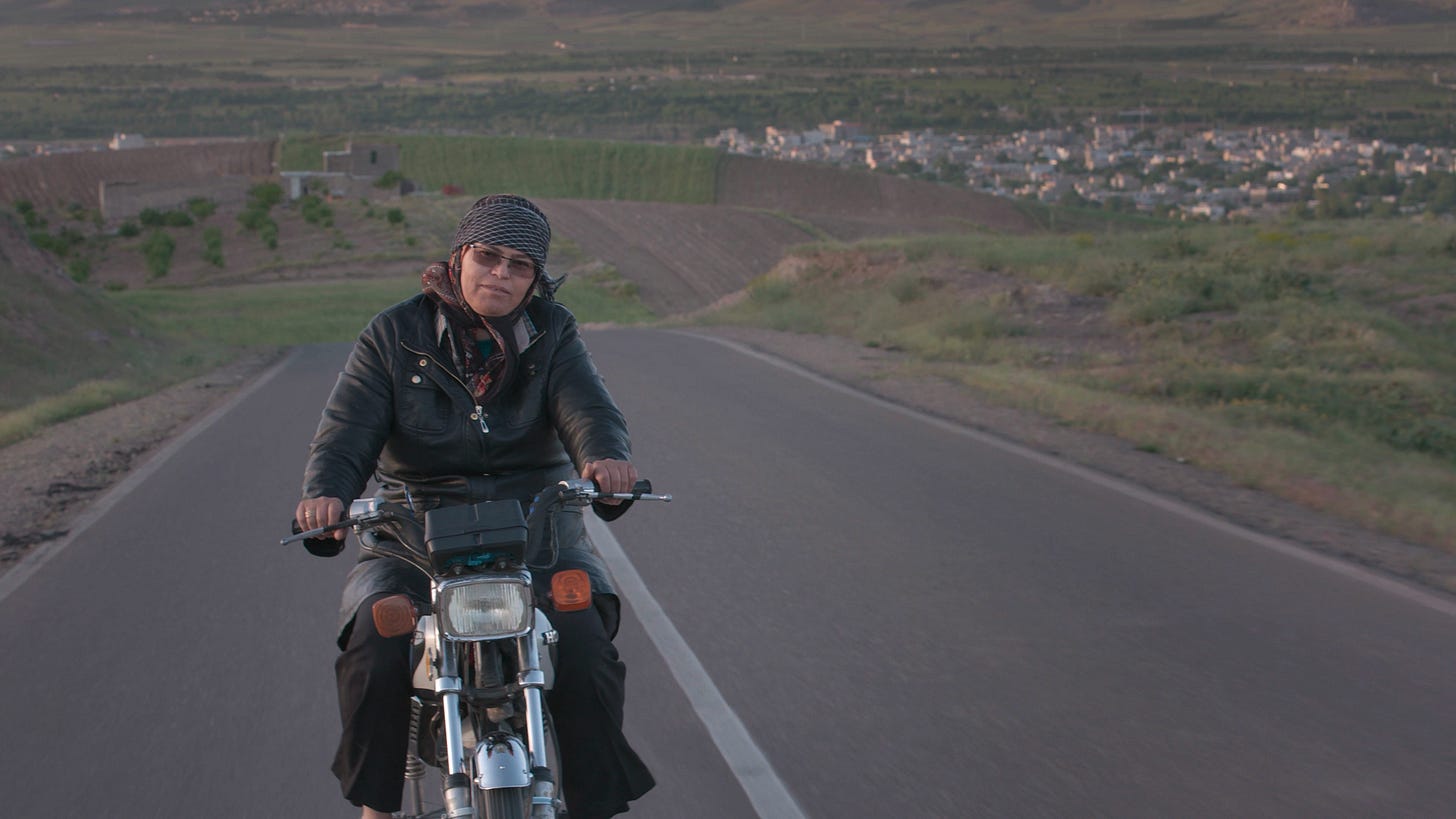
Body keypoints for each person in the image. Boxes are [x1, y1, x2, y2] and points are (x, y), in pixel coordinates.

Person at [295, 194, 655, 819]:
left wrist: (605, 460)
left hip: (537, 524)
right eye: (489, 256)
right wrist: (326, 494)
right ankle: (375, 809)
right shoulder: (394, 334)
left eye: (520, 265)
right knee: (374, 645)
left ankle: (595, 806)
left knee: (585, 642)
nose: (501, 274)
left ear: (534, 279)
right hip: (413, 530)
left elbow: (589, 408)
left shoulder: (554, 332)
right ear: (460, 256)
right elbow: (347, 429)